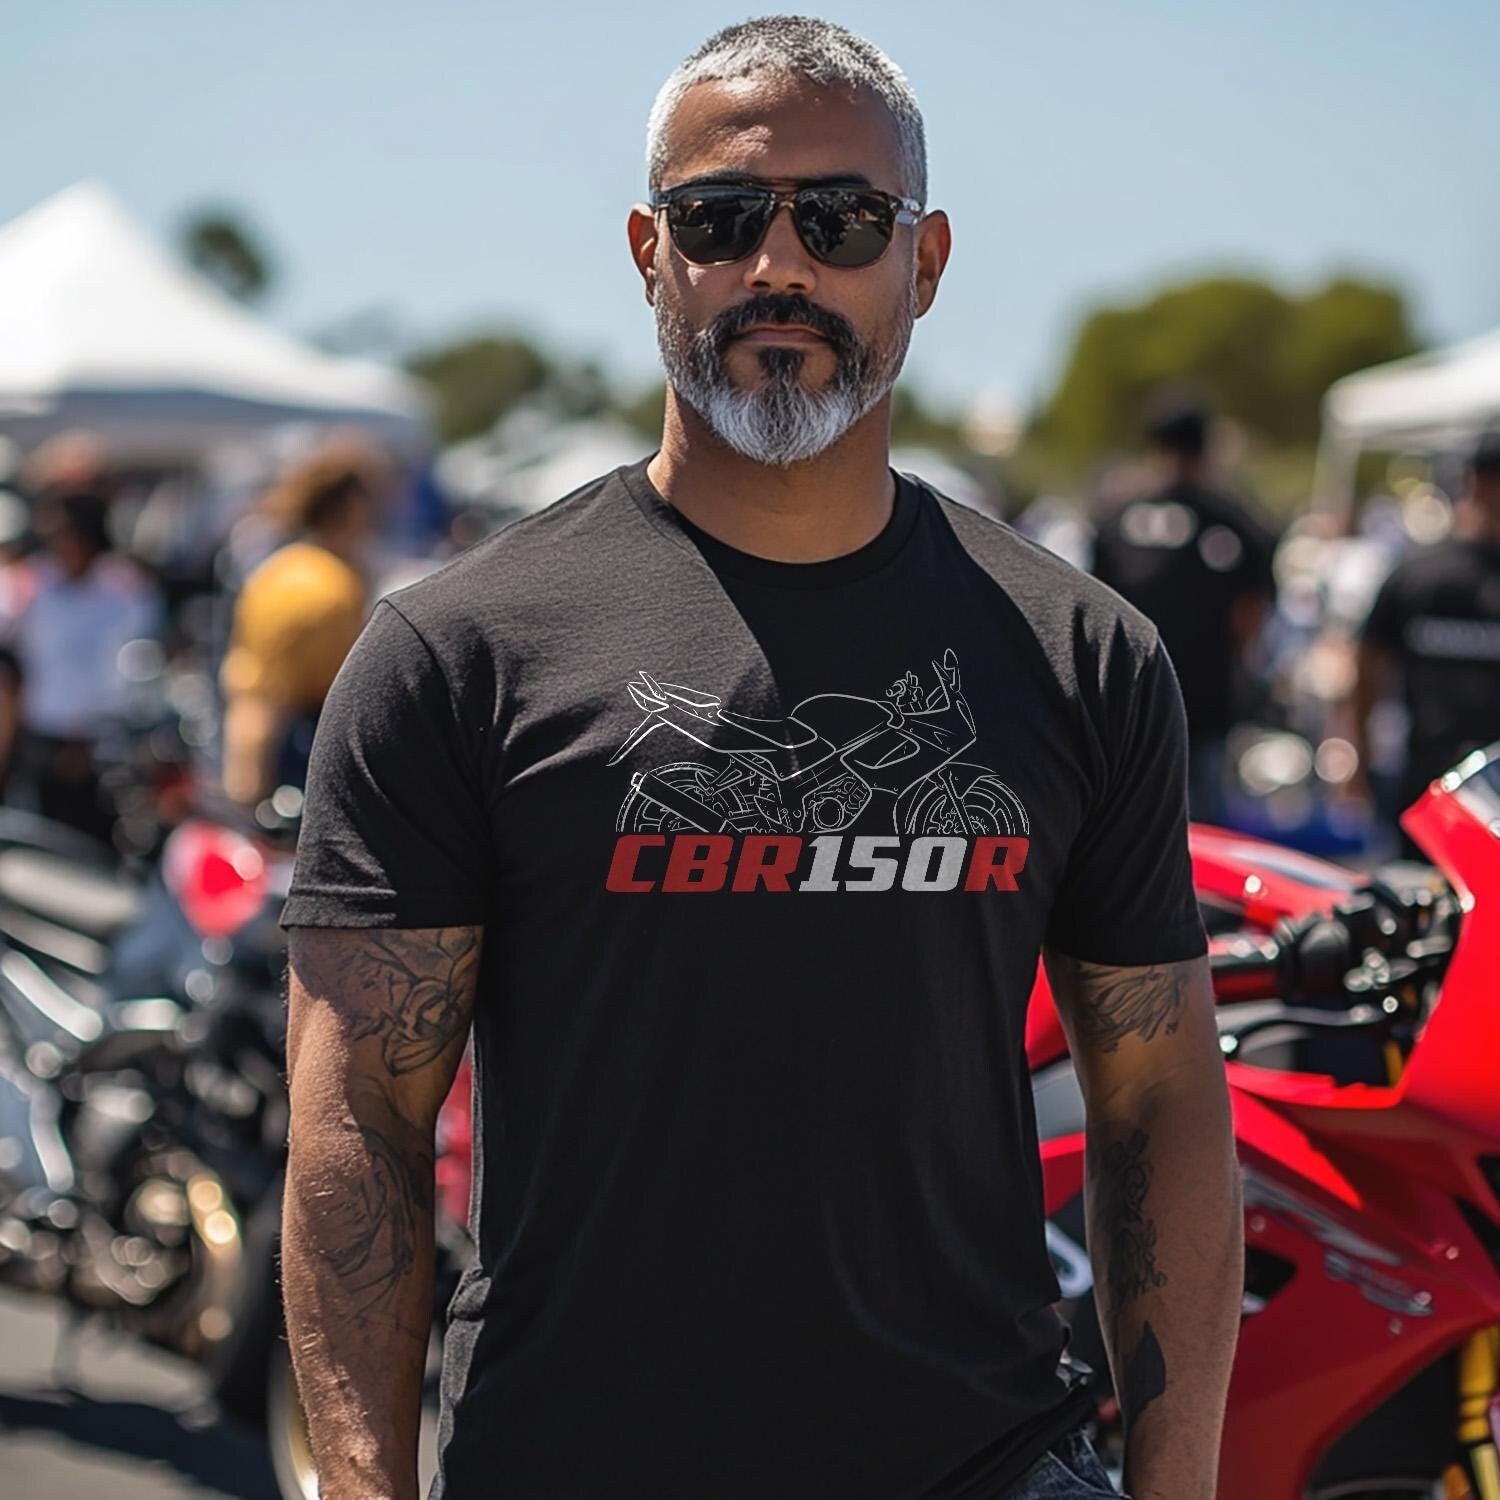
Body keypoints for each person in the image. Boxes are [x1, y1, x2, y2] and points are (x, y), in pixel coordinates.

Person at [281, 18, 1241, 1500]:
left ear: (923, 261)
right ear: (649, 253)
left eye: (842, 219)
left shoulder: (1084, 654)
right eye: (721, 217)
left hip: (983, 1462)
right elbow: (361, 1122)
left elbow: (1159, 1102)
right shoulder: (456, 653)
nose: (778, 264)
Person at [1090, 399, 1277, 823]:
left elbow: (1094, 606)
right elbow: (1251, 616)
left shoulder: (1118, 517)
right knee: (1199, 826)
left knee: (1127, 821)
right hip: (1199, 698)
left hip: (1131, 698)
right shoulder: (1235, 521)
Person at [218, 437, 385, 807]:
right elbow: (345, 687)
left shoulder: (274, 571)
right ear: (350, 508)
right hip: (300, 755)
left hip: (246, 742)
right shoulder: (334, 585)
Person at [1353, 430, 1500, 838]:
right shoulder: (1420, 577)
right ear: (1476, 483)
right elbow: (1366, 664)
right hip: (1428, 785)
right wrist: (1358, 757)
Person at [8, 491, 160, 843]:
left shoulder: (126, 587)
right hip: (42, 737)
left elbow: (142, 657)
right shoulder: (29, 584)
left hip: (104, 741)